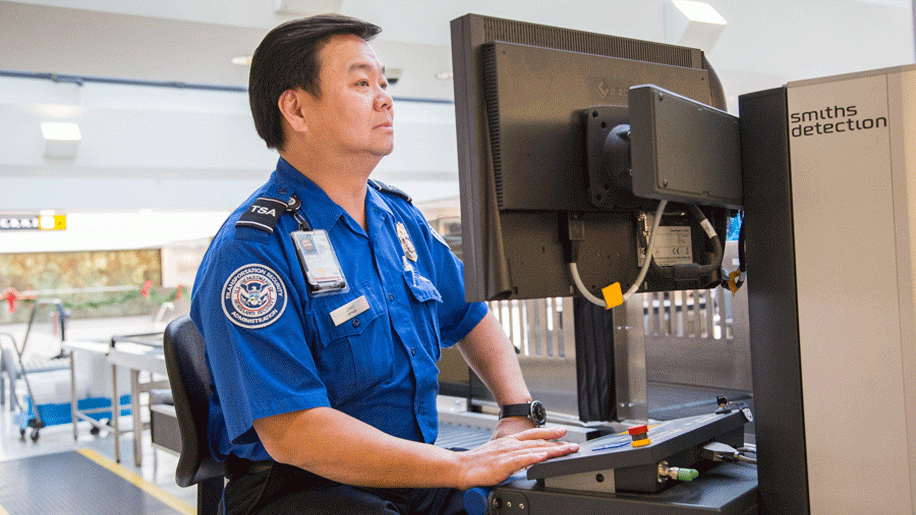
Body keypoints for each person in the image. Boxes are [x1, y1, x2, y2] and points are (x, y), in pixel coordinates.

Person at [189, 13, 578, 515]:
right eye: (359, 83)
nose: (384, 97)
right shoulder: (253, 252)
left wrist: (517, 409)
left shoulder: (398, 219)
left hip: (413, 472)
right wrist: (460, 468)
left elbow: (471, 314)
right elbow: (294, 433)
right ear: (297, 110)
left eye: (383, 81)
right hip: (303, 488)